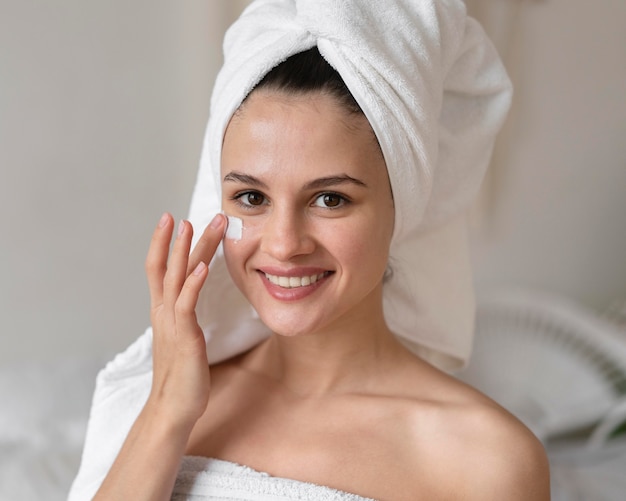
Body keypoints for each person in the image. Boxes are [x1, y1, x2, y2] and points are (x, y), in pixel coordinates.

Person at [69, 1, 550, 499]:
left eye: (329, 199)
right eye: (251, 198)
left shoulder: (487, 459)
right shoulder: (156, 399)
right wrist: (167, 410)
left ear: (400, 204)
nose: (283, 244)